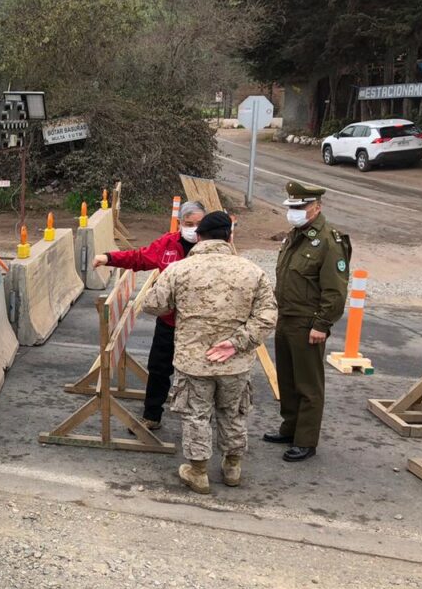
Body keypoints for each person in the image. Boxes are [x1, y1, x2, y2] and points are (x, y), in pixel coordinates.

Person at [142, 211, 278, 494]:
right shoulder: (252, 271)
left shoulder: (179, 269)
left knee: (196, 414)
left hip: (194, 362)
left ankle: (198, 471)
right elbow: (267, 316)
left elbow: (153, 304)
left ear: (199, 237)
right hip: (235, 362)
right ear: (229, 236)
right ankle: (232, 467)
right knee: (233, 413)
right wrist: (237, 342)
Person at [92, 200, 206, 431]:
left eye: (199, 224)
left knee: (199, 375)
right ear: (180, 223)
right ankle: (151, 415)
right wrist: (109, 257)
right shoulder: (168, 243)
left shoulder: (213, 247)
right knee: (158, 368)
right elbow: (140, 258)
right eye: (188, 223)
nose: (194, 229)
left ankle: (200, 424)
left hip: (199, 326)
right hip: (169, 321)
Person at [263, 181, 351, 462]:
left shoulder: (329, 240)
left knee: (308, 384)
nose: (295, 211)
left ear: (317, 207)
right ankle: (289, 428)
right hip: (286, 317)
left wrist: (322, 324)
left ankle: (306, 439)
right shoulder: (295, 236)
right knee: (287, 380)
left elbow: (335, 290)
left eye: (301, 207)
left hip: (307, 322)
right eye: (293, 207)